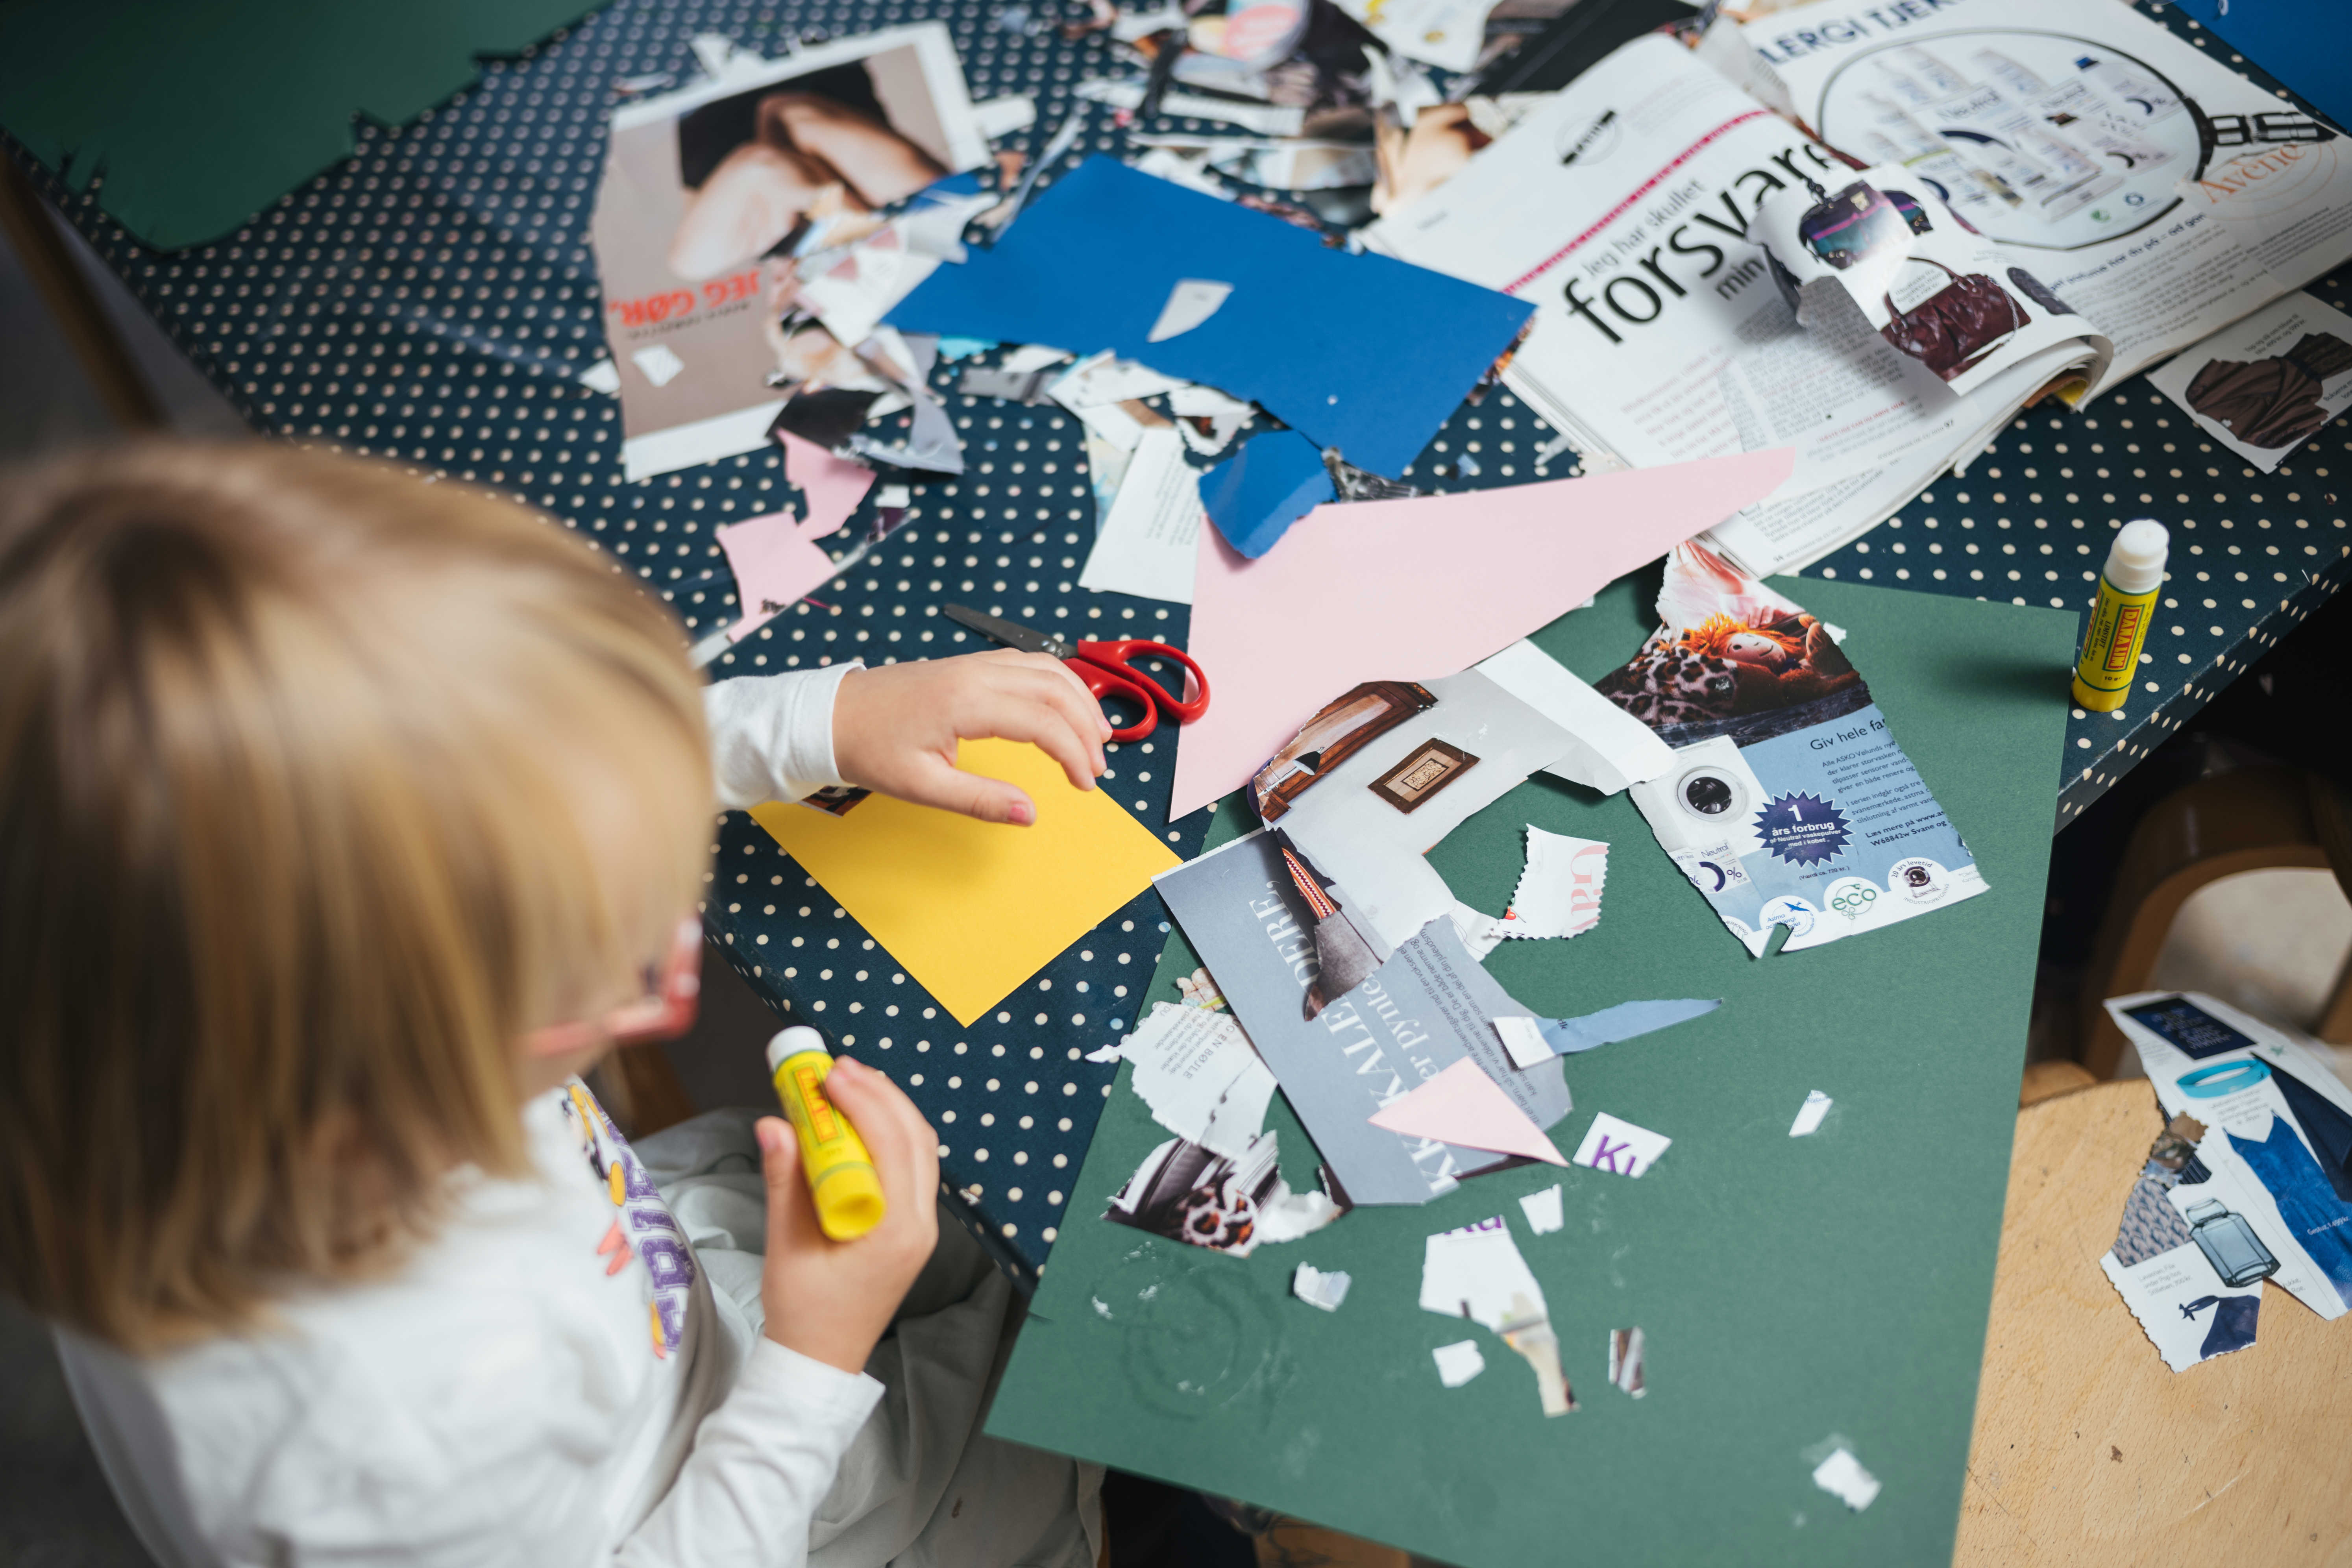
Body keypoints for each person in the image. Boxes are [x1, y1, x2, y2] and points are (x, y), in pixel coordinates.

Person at [0, 441, 1114, 1567]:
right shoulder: (385, 1437)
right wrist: (812, 1365)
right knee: (1095, 1407)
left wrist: (815, 721)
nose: (675, 940)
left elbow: (518, 776)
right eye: (627, 959)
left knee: (976, 1246)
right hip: (741, 1498)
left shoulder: (192, 1046)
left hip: (664, 1291)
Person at [670, 90, 947, 281]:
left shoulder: (704, 259)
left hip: (697, 93)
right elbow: (787, 111)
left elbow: (762, 164)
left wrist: (842, 213)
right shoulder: (918, 204)